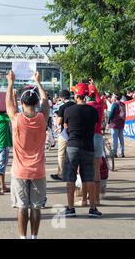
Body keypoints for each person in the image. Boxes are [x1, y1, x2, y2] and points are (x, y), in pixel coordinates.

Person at [6, 71, 49, 239]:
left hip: (20, 171)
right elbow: (45, 102)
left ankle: (22, 237)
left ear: (21, 102)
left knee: (22, 207)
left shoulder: (17, 119)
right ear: (36, 101)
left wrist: (10, 83)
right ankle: (34, 237)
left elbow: (9, 104)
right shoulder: (42, 119)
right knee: (36, 207)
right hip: (38, 171)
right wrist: (38, 82)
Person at [62, 82, 101, 218]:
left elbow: (65, 127)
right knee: (89, 178)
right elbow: (95, 125)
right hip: (88, 147)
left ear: (76, 95)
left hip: (72, 146)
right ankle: (93, 208)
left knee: (70, 177)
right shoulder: (93, 111)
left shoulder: (69, 110)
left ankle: (70, 208)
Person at [84, 81, 104, 207]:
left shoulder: (84, 108)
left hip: (86, 138)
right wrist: (94, 88)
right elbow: (99, 98)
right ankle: (97, 199)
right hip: (98, 137)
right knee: (96, 170)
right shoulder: (100, 105)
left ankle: (85, 199)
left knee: (85, 170)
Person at [51, 90, 75, 181]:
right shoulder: (75, 104)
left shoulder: (62, 107)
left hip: (64, 133)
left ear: (62, 98)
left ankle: (61, 174)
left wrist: (56, 117)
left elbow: (59, 122)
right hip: (75, 133)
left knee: (61, 154)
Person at [108, 94, 126, 158]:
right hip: (121, 123)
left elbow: (111, 114)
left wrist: (108, 121)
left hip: (114, 124)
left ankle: (114, 153)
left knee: (114, 139)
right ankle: (122, 152)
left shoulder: (114, 104)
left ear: (115, 98)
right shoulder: (123, 104)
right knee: (121, 138)